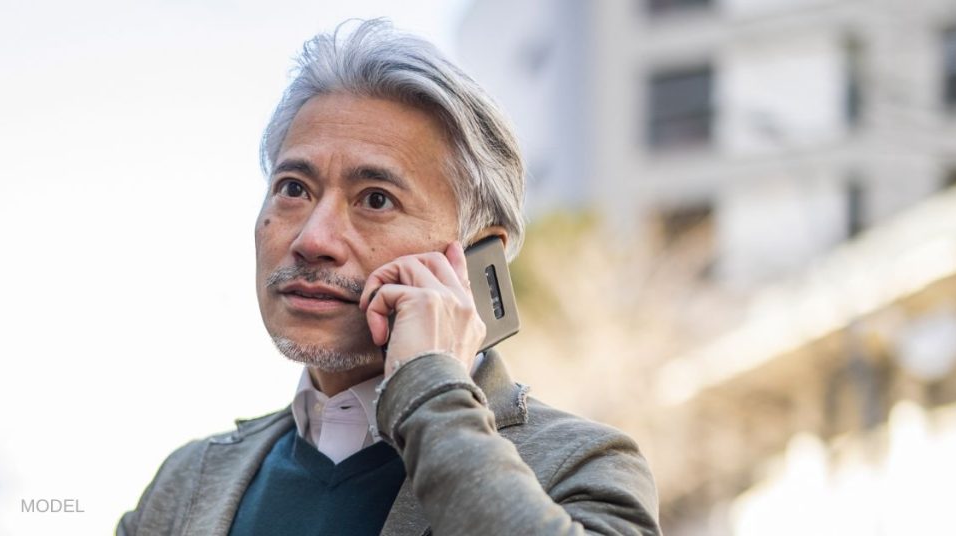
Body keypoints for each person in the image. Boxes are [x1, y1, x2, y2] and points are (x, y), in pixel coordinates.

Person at [117, 19, 661, 536]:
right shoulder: (186, 482)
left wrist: (429, 389)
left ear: (477, 259)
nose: (312, 239)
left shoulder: (582, 464)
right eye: (293, 188)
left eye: (376, 199)